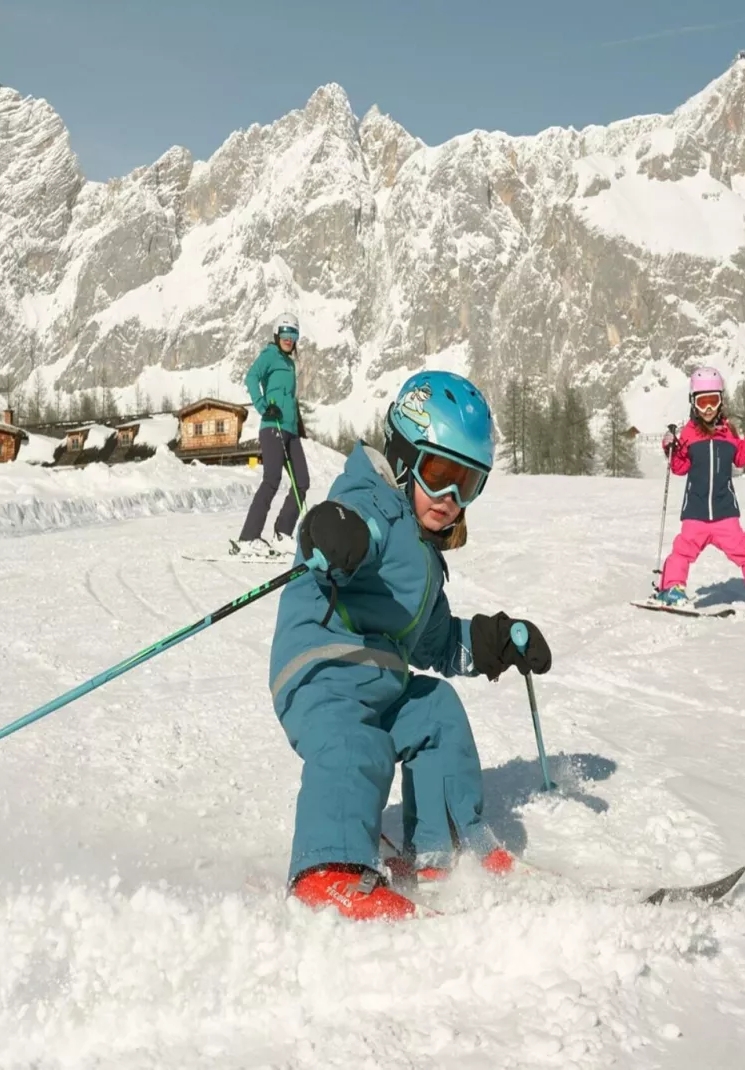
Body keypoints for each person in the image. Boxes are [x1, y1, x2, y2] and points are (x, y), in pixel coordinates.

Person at [268, 370, 553, 920]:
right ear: (401, 456)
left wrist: (494, 642)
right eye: (440, 473)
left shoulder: (422, 554)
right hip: (323, 670)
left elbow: (439, 643)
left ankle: (440, 850)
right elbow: (348, 523)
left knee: (436, 710)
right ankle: (330, 871)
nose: (449, 498)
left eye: (466, 484)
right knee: (358, 745)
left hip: (381, 681)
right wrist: (334, 532)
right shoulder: (372, 500)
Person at [655, 367, 745, 606]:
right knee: (682, 551)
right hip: (696, 512)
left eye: (713, 401)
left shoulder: (728, 432)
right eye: (703, 402)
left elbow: (740, 458)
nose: (708, 409)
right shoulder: (688, 434)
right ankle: (672, 588)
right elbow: (679, 468)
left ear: (721, 401)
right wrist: (670, 449)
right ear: (694, 403)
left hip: (724, 511)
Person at [235, 313, 309, 557]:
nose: (289, 339)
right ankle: (248, 538)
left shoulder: (289, 363)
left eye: (294, 334)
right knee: (272, 480)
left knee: (302, 482)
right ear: (277, 334)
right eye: (285, 334)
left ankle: (282, 533)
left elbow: (290, 398)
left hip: (290, 430)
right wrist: (263, 405)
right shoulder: (270, 355)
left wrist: (297, 425)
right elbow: (251, 377)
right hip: (272, 426)